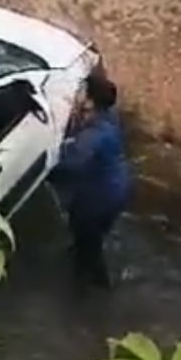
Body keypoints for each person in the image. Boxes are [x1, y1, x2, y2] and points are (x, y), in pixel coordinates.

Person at [52, 74, 132, 289]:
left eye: (81, 91)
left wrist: (49, 164)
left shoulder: (94, 134)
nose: (77, 94)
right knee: (91, 241)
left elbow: (71, 165)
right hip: (117, 187)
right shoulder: (108, 117)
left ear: (90, 100)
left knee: (88, 247)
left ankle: (87, 296)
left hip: (98, 198)